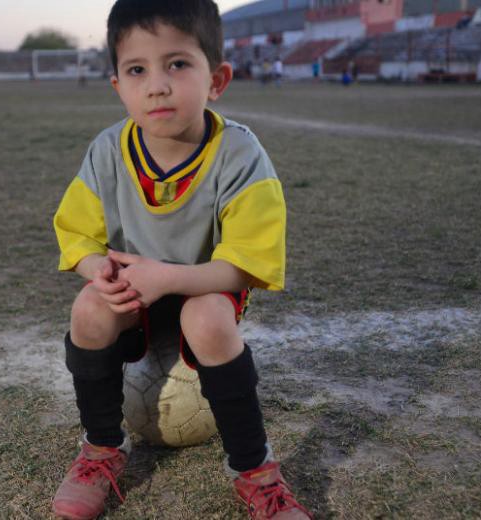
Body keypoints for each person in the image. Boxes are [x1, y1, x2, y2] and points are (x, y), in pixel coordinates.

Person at [50, 1, 309, 519]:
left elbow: (248, 263)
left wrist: (169, 277)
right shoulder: (107, 151)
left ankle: (254, 471)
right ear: (118, 86)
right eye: (137, 70)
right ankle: (101, 449)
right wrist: (98, 270)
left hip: (205, 284)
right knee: (89, 309)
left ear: (217, 80)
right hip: (134, 288)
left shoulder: (240, 154)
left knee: (206, 318)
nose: (157, 86)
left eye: (177, 64)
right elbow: (77, 236)